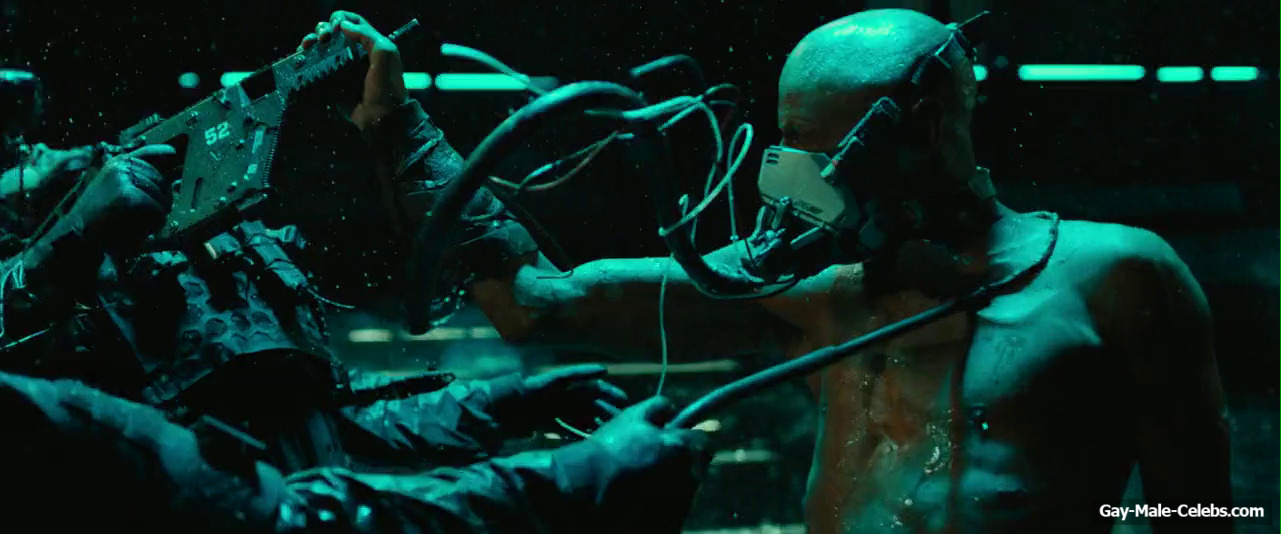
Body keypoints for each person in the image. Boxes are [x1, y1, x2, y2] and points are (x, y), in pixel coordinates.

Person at [338, 8, 1231, 533]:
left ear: (921, 126)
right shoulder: (809, 285)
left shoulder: (1115, 278)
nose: (791, 180)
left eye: (814, 145)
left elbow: (1198, 510)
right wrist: (397, 125)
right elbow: (536, 304)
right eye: (785, 142)